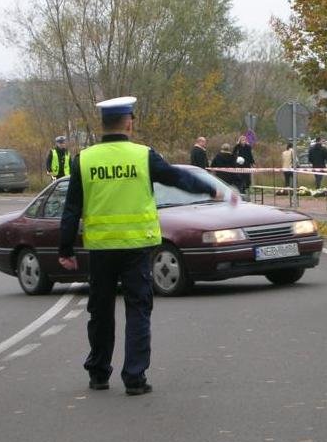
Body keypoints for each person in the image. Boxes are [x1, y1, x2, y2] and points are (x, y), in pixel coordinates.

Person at [58, 97, 229, 396]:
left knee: (100, 311)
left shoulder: (83, 160)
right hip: (138, 247)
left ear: (103, 124)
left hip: (100, 249)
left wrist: (65, 250)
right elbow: (177, 178)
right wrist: (209, 188)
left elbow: (71, 210)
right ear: (128, 122)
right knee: (138, 310)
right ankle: (134, 377)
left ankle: (98, 373)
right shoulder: (143, 156)